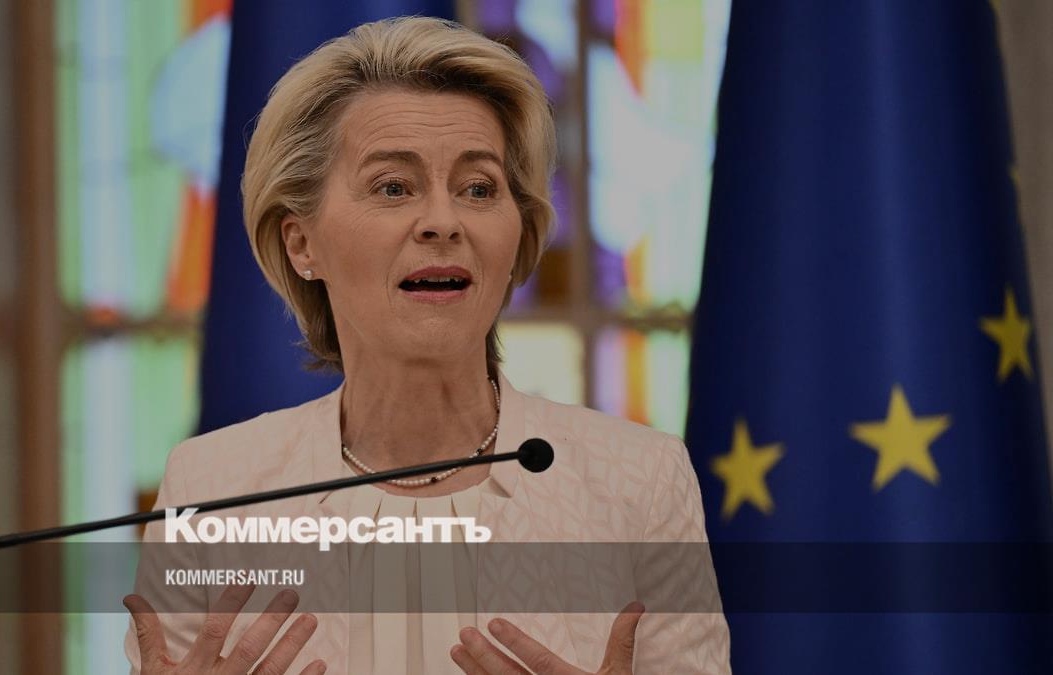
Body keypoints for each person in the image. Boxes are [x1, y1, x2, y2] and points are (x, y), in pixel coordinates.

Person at [123, 16, 730, 675]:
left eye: (478, 189)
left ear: (517, 236)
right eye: (393, 186)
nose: (443, 222)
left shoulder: (640, 482)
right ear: (302, 243)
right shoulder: (212, 485)